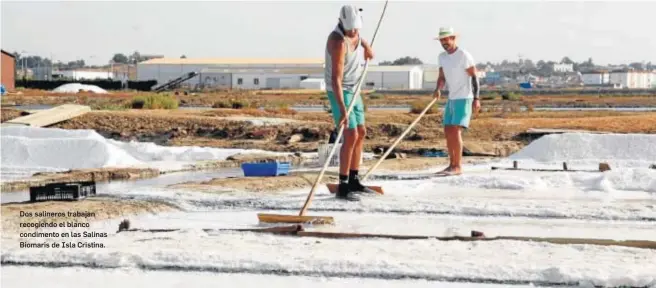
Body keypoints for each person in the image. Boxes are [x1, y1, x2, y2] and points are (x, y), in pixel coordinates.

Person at [324, 4, 376, 201]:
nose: (354, 31)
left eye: (356, 28)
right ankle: (344, 185)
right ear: (341, 23)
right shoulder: (337, 41)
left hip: (355, 88)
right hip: (340, 90)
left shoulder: (355, 33)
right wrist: (342, 109)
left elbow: (358, 38)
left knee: (361, 132)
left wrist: (367, 46)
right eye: (350, 28)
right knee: (350, 134)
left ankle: (355, 179)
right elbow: (336, 79)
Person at [433, 27, 481, 176]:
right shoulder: (442, 57)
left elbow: (474, 77)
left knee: (455, 130)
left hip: (464, 96)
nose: (444, 43)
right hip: (452, 97)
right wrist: (438, 88)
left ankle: (458, 166)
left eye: (446, 39)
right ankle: (451, 164)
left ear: (453, 39)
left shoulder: (463, 55)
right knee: (448, 130)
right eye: (442, 40)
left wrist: (476, 98)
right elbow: (442, 77)